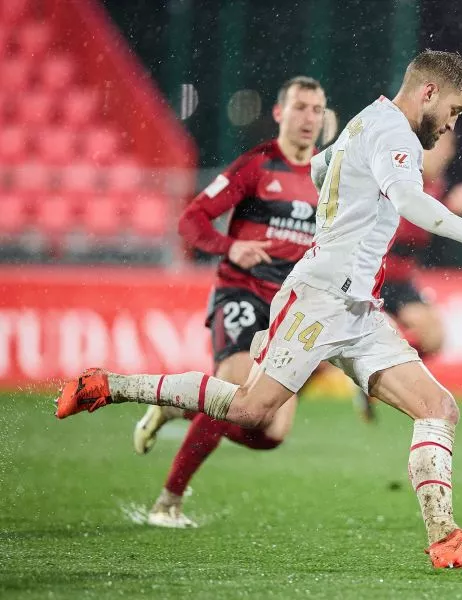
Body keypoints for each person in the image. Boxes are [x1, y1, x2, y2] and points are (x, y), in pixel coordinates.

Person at [55, 50, 462, 569]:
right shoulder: (394, 133)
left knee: (439, 409)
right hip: (320, 300)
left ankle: (445, 536)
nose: (453, 125)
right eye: (455, 111)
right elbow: (409, 201)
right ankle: (110, 386)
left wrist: (338, 219)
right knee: (250, 411)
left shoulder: (366, 120)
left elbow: (324, 165)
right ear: (429, 93)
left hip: (359, 310)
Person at [132, 76, 327, 527]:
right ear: (279, 113)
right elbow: (191, 218)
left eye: (316, 110)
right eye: (299, 108)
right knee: (235, 393)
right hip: (241, 292)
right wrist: (228, 246)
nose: (308, 118)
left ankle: (178, 404)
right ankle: (167, 502)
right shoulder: (256, 165)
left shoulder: (326, 176)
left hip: (287, 311)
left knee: (271, 431)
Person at [355, 131, 462, 421]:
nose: (446, 153)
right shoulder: (401, 179)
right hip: (371, 275)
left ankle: (377, 376)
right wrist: (451, 211)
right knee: (381, 336)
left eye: (450, 146)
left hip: (401, 280)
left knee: (434, 335)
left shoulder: (439, 185)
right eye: (441, 146)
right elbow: (410, 215)